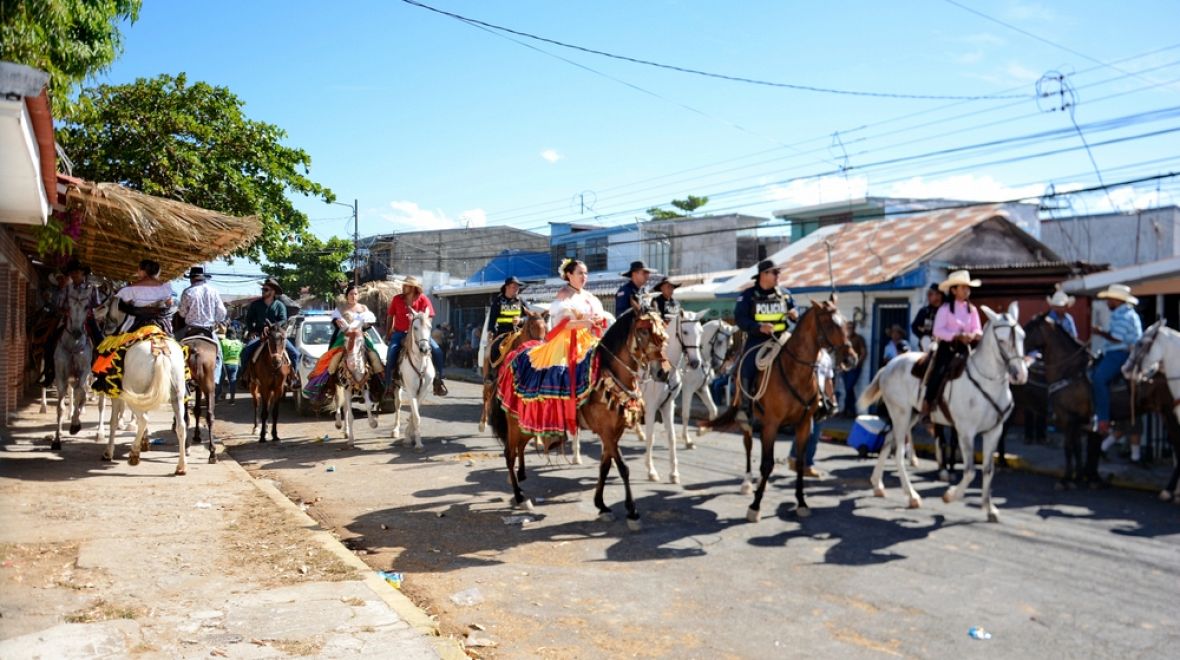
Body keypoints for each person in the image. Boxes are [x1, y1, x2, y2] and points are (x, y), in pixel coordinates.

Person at [733, 259, 797, 416]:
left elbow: (794, 309)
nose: (778, 275)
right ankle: (745, 405)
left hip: (783, 339)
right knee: (746, 366)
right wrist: (759, 327)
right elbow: (740, 319)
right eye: (775, 272)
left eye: (778, 272)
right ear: (763, 274)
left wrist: (796, 314)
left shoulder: (786, 294)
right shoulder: (747, 296)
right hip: (758, 340)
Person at [304, 283, 385, 403]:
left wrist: (364, 325)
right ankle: (328, 387)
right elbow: (336, 323)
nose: (354, 296)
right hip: (344, 337)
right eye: (351, 294)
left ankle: (380, 387)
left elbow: (369, 323)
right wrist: (339, 323)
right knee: (332, 361)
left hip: (361, 337)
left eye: (356, 294)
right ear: (347, 295)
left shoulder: (364, 308)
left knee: (374, 357)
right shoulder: (340, 309)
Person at [921, 270, 983, 418]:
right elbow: (938, 331)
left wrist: (972, 334)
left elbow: (978, 329)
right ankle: (928, 403)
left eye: (968, 288)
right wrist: (956, 336)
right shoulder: (945, 309)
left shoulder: (972, 309)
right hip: (948, 348)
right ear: (954, 290)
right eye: (963, 287)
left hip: (966, 349)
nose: (967, 290)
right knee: (939, 370)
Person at [1091, 284, 1143, 438]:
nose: (1107, 302)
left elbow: (1117, 339)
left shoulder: (1124, 316)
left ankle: (1103, 420)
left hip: (1120, 353)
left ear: (1116, 300)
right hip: (1117, 352)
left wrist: (1099, 332)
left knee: (1098, 378)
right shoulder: (1125, 313)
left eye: (1109, 299)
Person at [385, 276, 447, 396]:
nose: (403, 287)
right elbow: (390, 316)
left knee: (437, 351)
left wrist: (421, 322)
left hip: (420, 333)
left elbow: (430, 317)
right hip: (400, 333)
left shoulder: (423, 299)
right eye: (403, 285)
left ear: (413, 287)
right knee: (391, 353)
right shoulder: (397, 299)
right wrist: (388, 332)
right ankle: (389, 385)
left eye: (406, 285)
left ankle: (439, 381)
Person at [43, 258, 102, 385]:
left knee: (101, 343)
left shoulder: (92, 288)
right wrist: (66, 311)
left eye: (77, 272)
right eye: (72, 272)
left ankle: (99, 374)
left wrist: (86, 310)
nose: (74, 274)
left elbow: (96, 304)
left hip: (87, 319)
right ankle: (49, 372)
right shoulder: (66, 289)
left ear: (83, 273)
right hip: (68, 319)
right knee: (50, 340)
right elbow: (60, 305)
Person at [238, 278, 298, 385]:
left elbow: (283, 319)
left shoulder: (279, 305)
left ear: (273, 292)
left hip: (276, 335)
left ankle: (293, 377)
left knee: (295, 353)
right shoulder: (255, 304)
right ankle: (245, 375)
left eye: (266, 289)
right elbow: (249, 319)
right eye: (263, 289)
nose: (263, 291)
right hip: (259, 335)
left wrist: (272, 326)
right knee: (245, 351)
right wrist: (252, 331)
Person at [177, 266, 227, 386]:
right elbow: (222, 313)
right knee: (219, 355)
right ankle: (215, 379)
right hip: (208, 330)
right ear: (203, 278)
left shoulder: (187, 292)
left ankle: (180, 377)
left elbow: (182, 313)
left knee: (175, 350)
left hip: (191, 328)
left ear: (192, 279)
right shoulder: (213, 291)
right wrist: (216, 320)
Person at [114, 259, 175, 335]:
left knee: (117, 340)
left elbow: (126, 305)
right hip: (161, 322)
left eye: (138, 269)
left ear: (142, 271)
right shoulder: (166, 288)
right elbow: (169, 304)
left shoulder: (128, 290)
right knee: (170, 337)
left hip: (137, 321)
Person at [841, 321, 867, 417]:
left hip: (854, 367)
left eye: (851, 327)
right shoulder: (844, 339)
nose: (849, 329)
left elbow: (863, 352)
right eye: (848, 327)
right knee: (848, 389)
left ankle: (848, 410)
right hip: (845, 366)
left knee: (849, 387)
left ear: (854, 328)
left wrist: (858, 363)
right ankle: (851, 411)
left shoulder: (859, 338)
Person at [910, 283, 945, 351]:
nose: (928, 296)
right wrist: (923, 336)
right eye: (928, 294)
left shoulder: (947, 310)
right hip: (927, 345)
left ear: (939, 295)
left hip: (943, 344)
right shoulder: (924, 311)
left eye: (931, 294)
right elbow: (914, 326)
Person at [218, 327, 244, 402]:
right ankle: (232, 398)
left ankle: (216, 397)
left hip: (224, 364)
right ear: (235, 334)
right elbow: (241, 353)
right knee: (233, 381)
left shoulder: (223, 342)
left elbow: (220, 353)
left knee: (220, 381)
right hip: (235, 364)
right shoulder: (239, 343)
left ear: (227, 333)